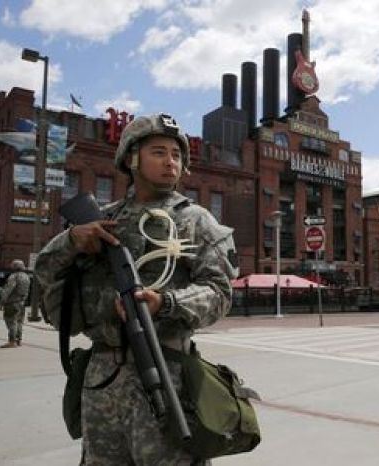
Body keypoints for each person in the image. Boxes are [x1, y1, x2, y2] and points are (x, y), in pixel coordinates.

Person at [35, 113, 238, 465]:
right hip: (102, 378)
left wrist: (167, 302)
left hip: (167, 375)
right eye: (158, 152)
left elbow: (219, 292)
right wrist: (70, 240)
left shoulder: (196, 221)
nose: (170, 162)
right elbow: (46, 272)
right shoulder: (100, 220)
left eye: (177, 155)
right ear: (131, 159)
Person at [0, 259, 31, 348]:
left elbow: (9, 289)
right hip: (22, 302)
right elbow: (27, 291)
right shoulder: (26, 277)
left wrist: (2, 301)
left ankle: (12, 341)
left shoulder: (13, 276)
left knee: (11, 321)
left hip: (12, 302)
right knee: (19, 321)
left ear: (14, 267)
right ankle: (18, 340)